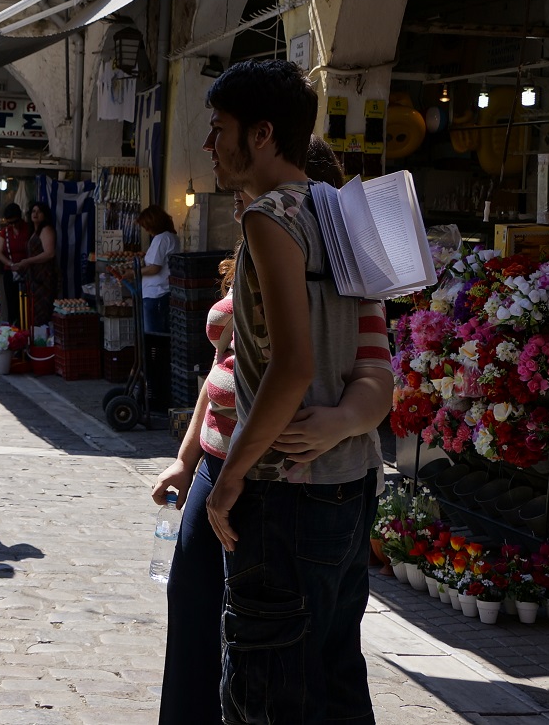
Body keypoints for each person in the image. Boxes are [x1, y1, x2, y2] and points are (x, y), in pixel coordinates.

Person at [154, 137, 383, 725]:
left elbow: (377, 376)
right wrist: (187, 460)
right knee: (197, 621)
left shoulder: (345, 269)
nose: (239, 201)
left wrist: (342, 421)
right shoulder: (254, 253)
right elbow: (219, 374)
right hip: (217, 467)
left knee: (281, 655)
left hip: (276, 480)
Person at [200, 60, 394, 725]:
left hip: (285, 491)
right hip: (349, 480)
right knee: (335, 680)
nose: (209, 145)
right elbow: (373, 363)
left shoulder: (269, 216)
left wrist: (231, 480)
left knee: (270, 688)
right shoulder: (340, 210)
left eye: (217, 128)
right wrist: (344, 418)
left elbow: (290, 366)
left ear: (260, 135)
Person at [10, 201, 58, 325]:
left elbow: (50, 253)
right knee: (33, 312)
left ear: (45, 215)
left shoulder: (46, 230)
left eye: (39, 211)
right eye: (33, 211)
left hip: (44, 278)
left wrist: (27, 261)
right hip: (35, 278)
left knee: (42, 312)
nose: (35, 214)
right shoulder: (34, 231)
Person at [136, 205, 180, 335]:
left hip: (157, 293)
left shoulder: (162, 238)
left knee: (154, 335)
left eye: (146, 226)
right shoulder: (170, 237)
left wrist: (134, 273)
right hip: (160, 292)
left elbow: (155, 268)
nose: (146, 230)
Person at [0, 202, 31, 324]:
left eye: (15, 222)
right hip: (10, 271)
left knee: (27, 302)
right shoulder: (6, 231)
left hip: (27, 270)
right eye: (10, 223)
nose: (13, 225)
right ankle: (13, 325)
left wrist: (25, 263)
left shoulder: (28, 229)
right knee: (11, 302)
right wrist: (11, 264)